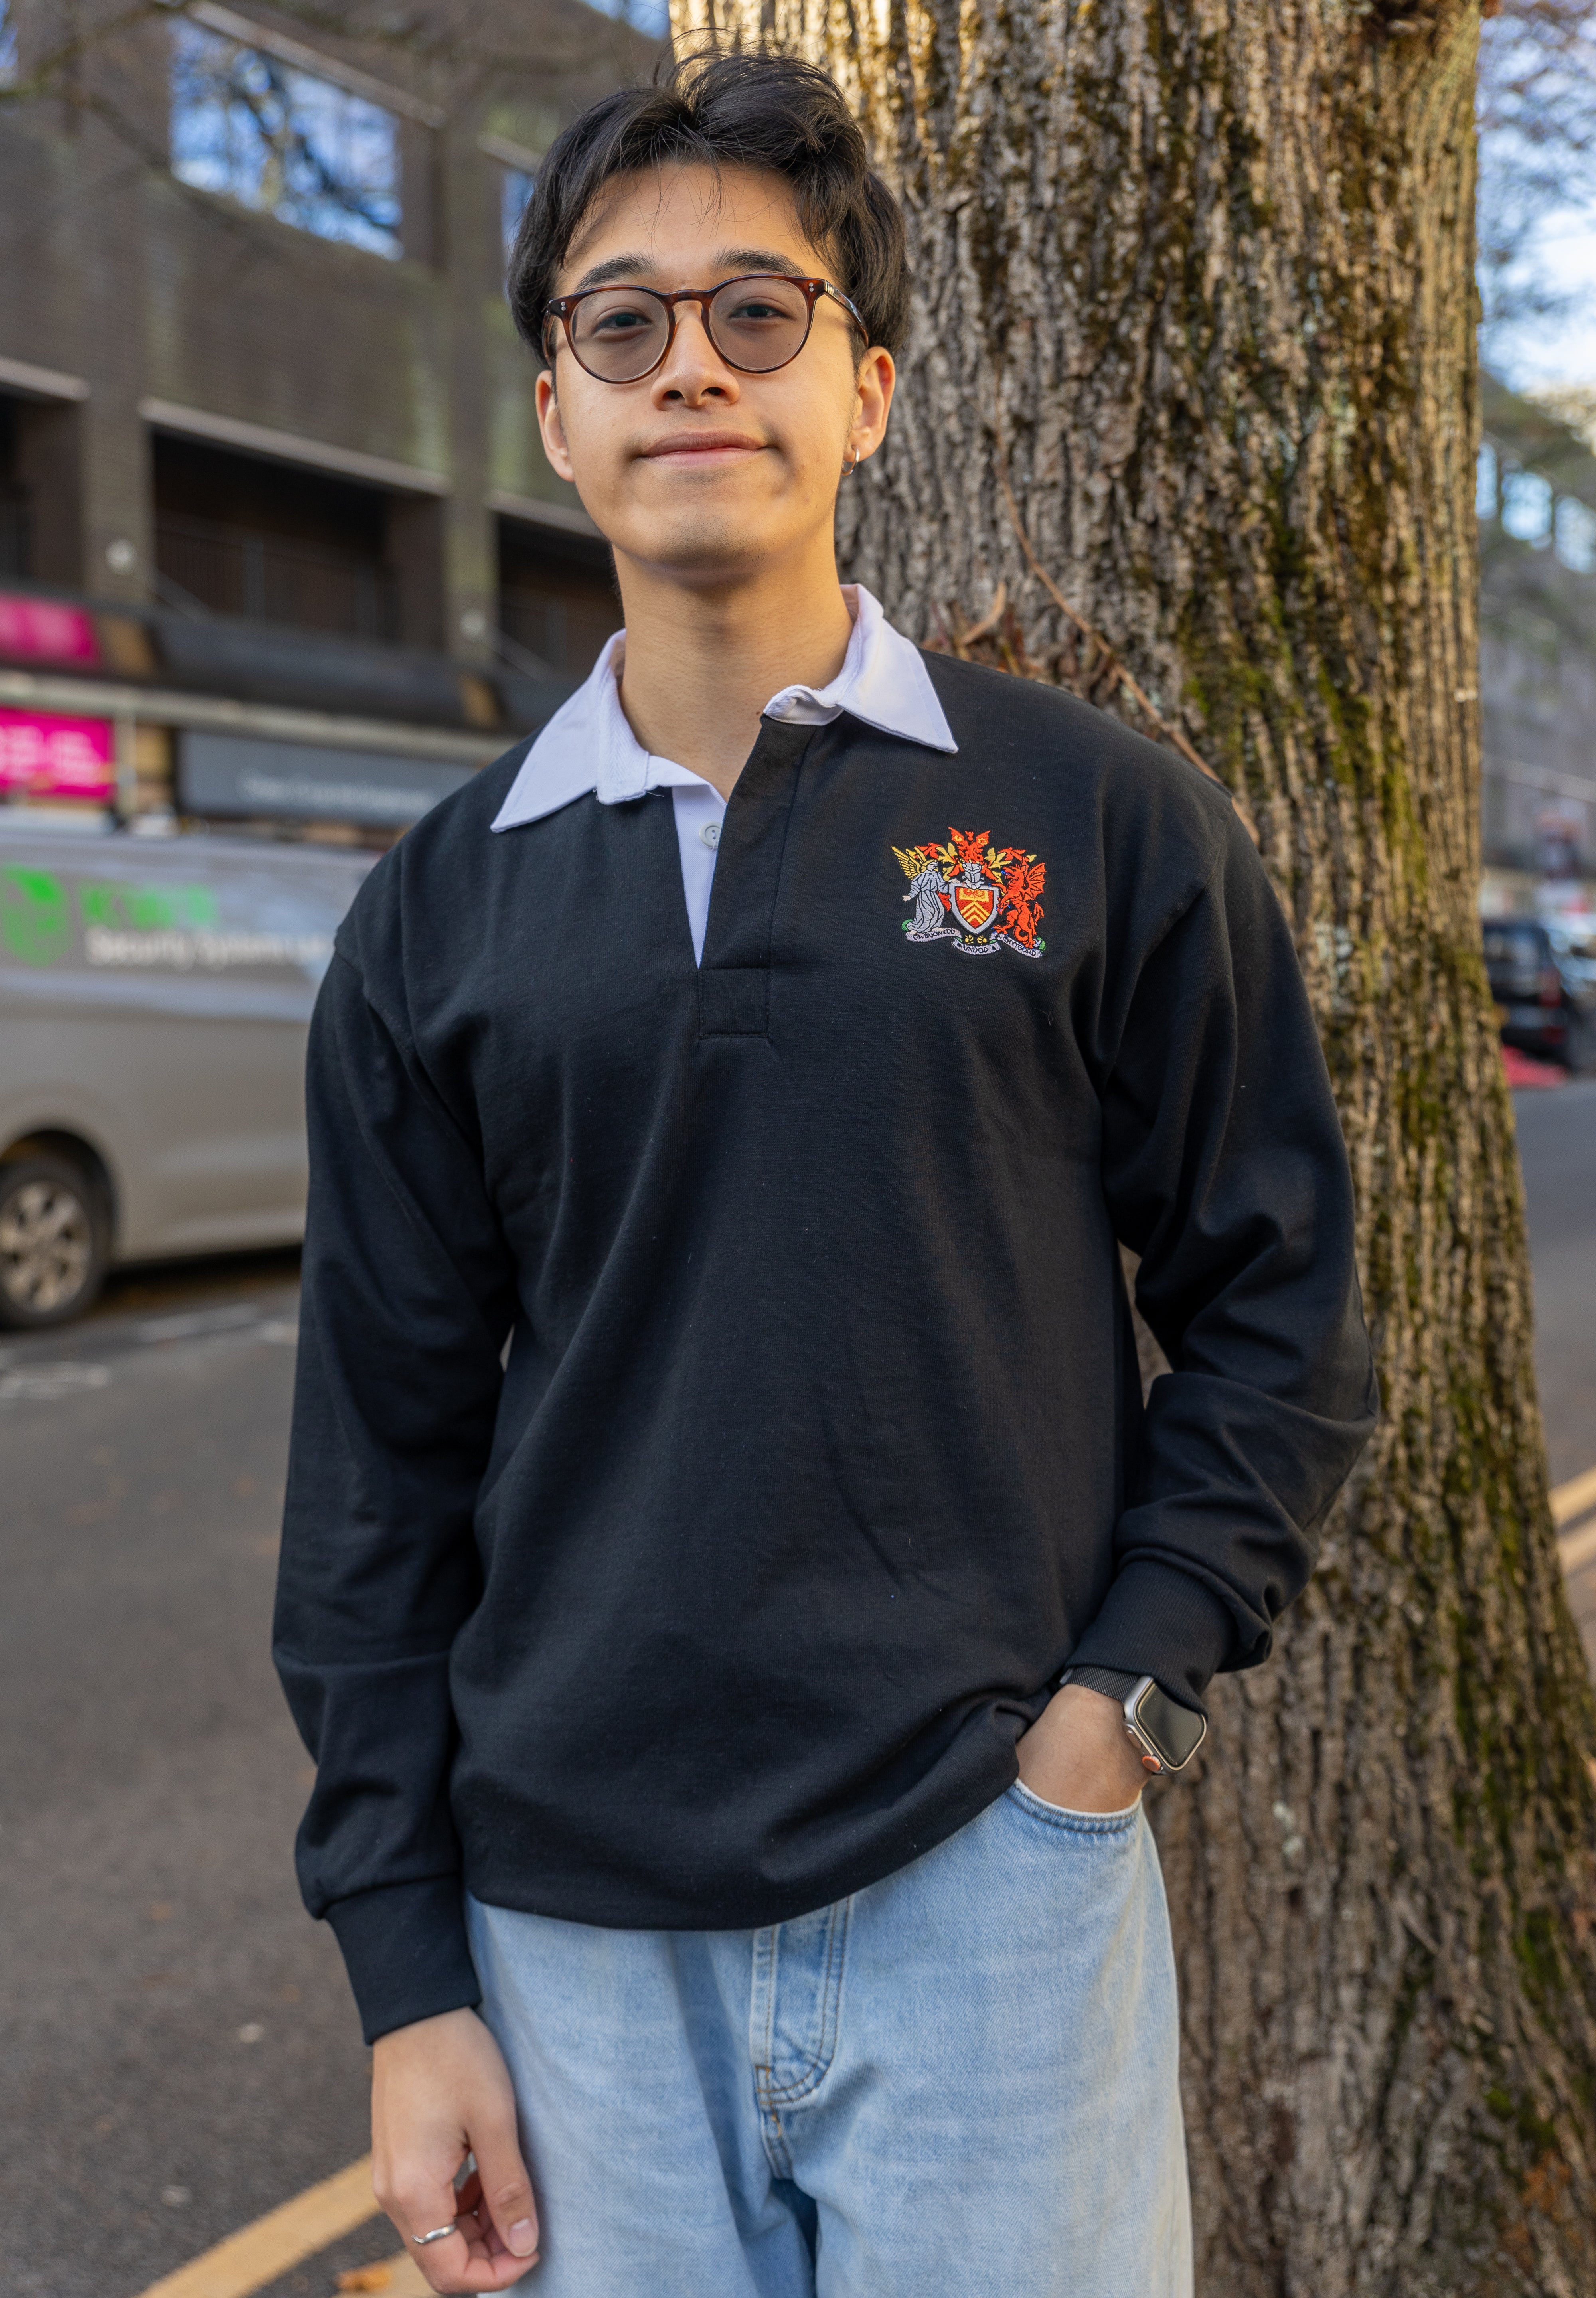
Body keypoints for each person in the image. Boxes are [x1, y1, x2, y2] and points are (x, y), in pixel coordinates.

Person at [273, 50, 1377, 2298]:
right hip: (569, 1933)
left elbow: (1289, 1306)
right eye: (622, 324)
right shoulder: (440, 913)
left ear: (868, 393)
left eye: (757, 313)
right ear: (557, 415)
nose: (692, 363)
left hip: (993, 1875)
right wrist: (411, 1980)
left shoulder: (1094, 818)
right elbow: (378, 1480)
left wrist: (1114, 1717)